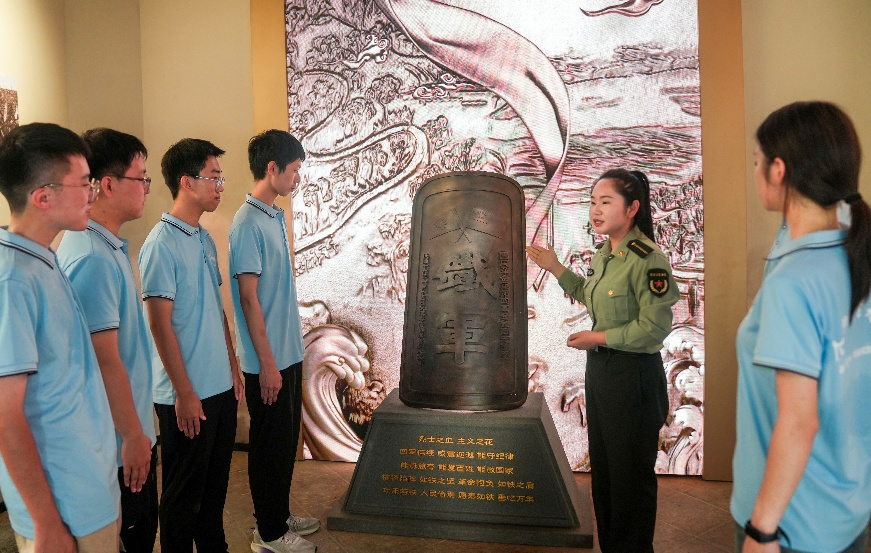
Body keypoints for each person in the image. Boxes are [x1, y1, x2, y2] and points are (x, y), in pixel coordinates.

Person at [731, 101, 871, 553]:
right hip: (848, 510)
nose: (755, 172)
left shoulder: (794, 280)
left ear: (778, 170)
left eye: (756, 161)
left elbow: (798, 422)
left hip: (793, 523)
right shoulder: (856, 257)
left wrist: (762, 530)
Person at [526, 168, 679, 553]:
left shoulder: (648, 259)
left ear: (632, 208)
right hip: (603, 374)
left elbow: (653, 329)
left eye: (606, 202)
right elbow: (592, 296)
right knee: (606, 476)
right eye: (593, 201)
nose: (595, 210)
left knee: (630, 481)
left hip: (634, 376)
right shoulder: (604, 255)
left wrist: (597, 337)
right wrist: (555, 267)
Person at [0, 122, 120, 552]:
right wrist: (45, 522)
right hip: (63, 505)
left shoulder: (43, 258)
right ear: (43, 197)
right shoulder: (12, 279)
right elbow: (5, 414)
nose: (93, 193)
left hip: (87, 485)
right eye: (84, 183)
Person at [56, 127, 158, 553]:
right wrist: (132, 436)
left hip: (127, 433)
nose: (147, 188)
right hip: (116, 445)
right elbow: (104, 359)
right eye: (141, 177)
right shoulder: (92, 257)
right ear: (109, 185)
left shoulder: (106, 246)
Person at [139, 138, 244, 553]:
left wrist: (233, 367)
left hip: (219, 388)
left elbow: (216, 311)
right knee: (183, 499)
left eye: (221, 177)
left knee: (214, 495)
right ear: (186, 182)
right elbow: (159, 324)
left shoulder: (202, 237)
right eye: (213, 177)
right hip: (186, 395)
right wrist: (184, 393)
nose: (220, 186)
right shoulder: (160, 244)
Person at [230, 130, 319, 553]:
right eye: (295, 169)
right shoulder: (247, 222)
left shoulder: (273, 214)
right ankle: (267, 535)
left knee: (284, 445)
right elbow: (249, 299)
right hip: (267, 360)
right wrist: (266, 364)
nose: (298, 178)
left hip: (288, 353)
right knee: (268, 448)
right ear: (272, 168)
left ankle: (278, 516)